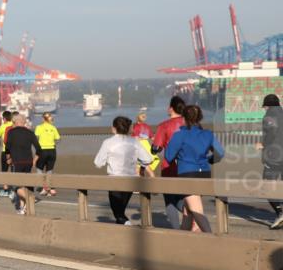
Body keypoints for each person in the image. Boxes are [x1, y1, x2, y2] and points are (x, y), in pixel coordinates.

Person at [164, 105, 225, 234]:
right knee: (188, 210)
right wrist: (209, 159)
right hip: (205, 173)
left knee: (196, 209)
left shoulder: (180, 135)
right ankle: (182, 239)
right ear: (200, 117)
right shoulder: (208, 134)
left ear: (183, 118)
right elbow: (220, 153)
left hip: (187, 173)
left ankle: (212, 239)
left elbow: (168, 157)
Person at [93, 116, 155, 225]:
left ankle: (126, 226)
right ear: (129, 128)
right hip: (130, 180)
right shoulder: (134, 142)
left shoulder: (108, 142)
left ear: (113, 128)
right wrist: (140, 164)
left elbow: (98, 163)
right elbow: (148, 159)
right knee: (120, 211)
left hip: (114, 180)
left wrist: (109, 159)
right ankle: (123, 231)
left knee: (118, 213)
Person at [151, 96, 187, 229]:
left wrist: (155, 143)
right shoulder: (190, 123)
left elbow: (155, 149)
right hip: (190, 166)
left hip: (170, 167)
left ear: (171, 108)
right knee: (186, 197)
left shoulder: (164, 125)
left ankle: (177, 231)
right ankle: (194, 214)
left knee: (170, 200)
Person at [3, 113, 41, 215]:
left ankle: (30, 199)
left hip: (17, 162)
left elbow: (7, 147)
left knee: (17, 186)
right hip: (28, 162)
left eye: (13, 122)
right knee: (25, 185)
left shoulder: (11, 132)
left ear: (16, 122)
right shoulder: (30, 133)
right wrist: (34, 161)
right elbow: (39, 149)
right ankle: (22, 208)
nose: (13, 124)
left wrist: (8, 157)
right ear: (23, 122)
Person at [258, 94, 283, 229]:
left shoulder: (269, 115)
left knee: (267, 186)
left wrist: (263, 144)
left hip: (274, 157)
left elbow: (272, 131)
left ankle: (280, 212)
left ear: (267, 105)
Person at [34, 112, 61, 197]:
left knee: (39, 169)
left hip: (42, 150)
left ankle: (43, 188)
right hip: (52, 150)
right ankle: (50, 188)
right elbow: (58, 139)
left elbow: (36, 138)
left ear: (43, 119)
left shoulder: (39, 127)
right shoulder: (53, 127)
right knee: (49, 170)